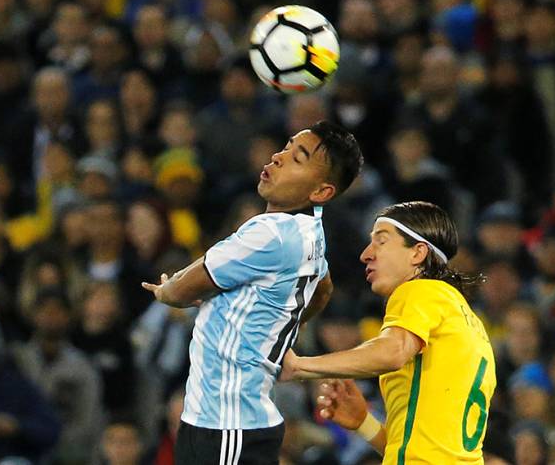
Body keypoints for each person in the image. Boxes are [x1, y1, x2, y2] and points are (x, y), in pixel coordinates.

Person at [142, 121, 363, 464]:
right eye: (287, 146)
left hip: (225, 425)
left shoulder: (269, 234)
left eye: (298, 158)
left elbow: (181, 292)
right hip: (234, 421)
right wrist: (279, 324)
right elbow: (322, 289)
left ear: (321, 192)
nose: (278, 157)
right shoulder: (310, 231)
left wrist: (165, 289)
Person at [280, 201, 496, 464]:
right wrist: (364, 423)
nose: (366, 254)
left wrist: (300, 366)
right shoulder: (469, 322)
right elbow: (420, 449)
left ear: (418, 253)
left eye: (381, 241)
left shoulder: (420, 290)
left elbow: (392, 351)